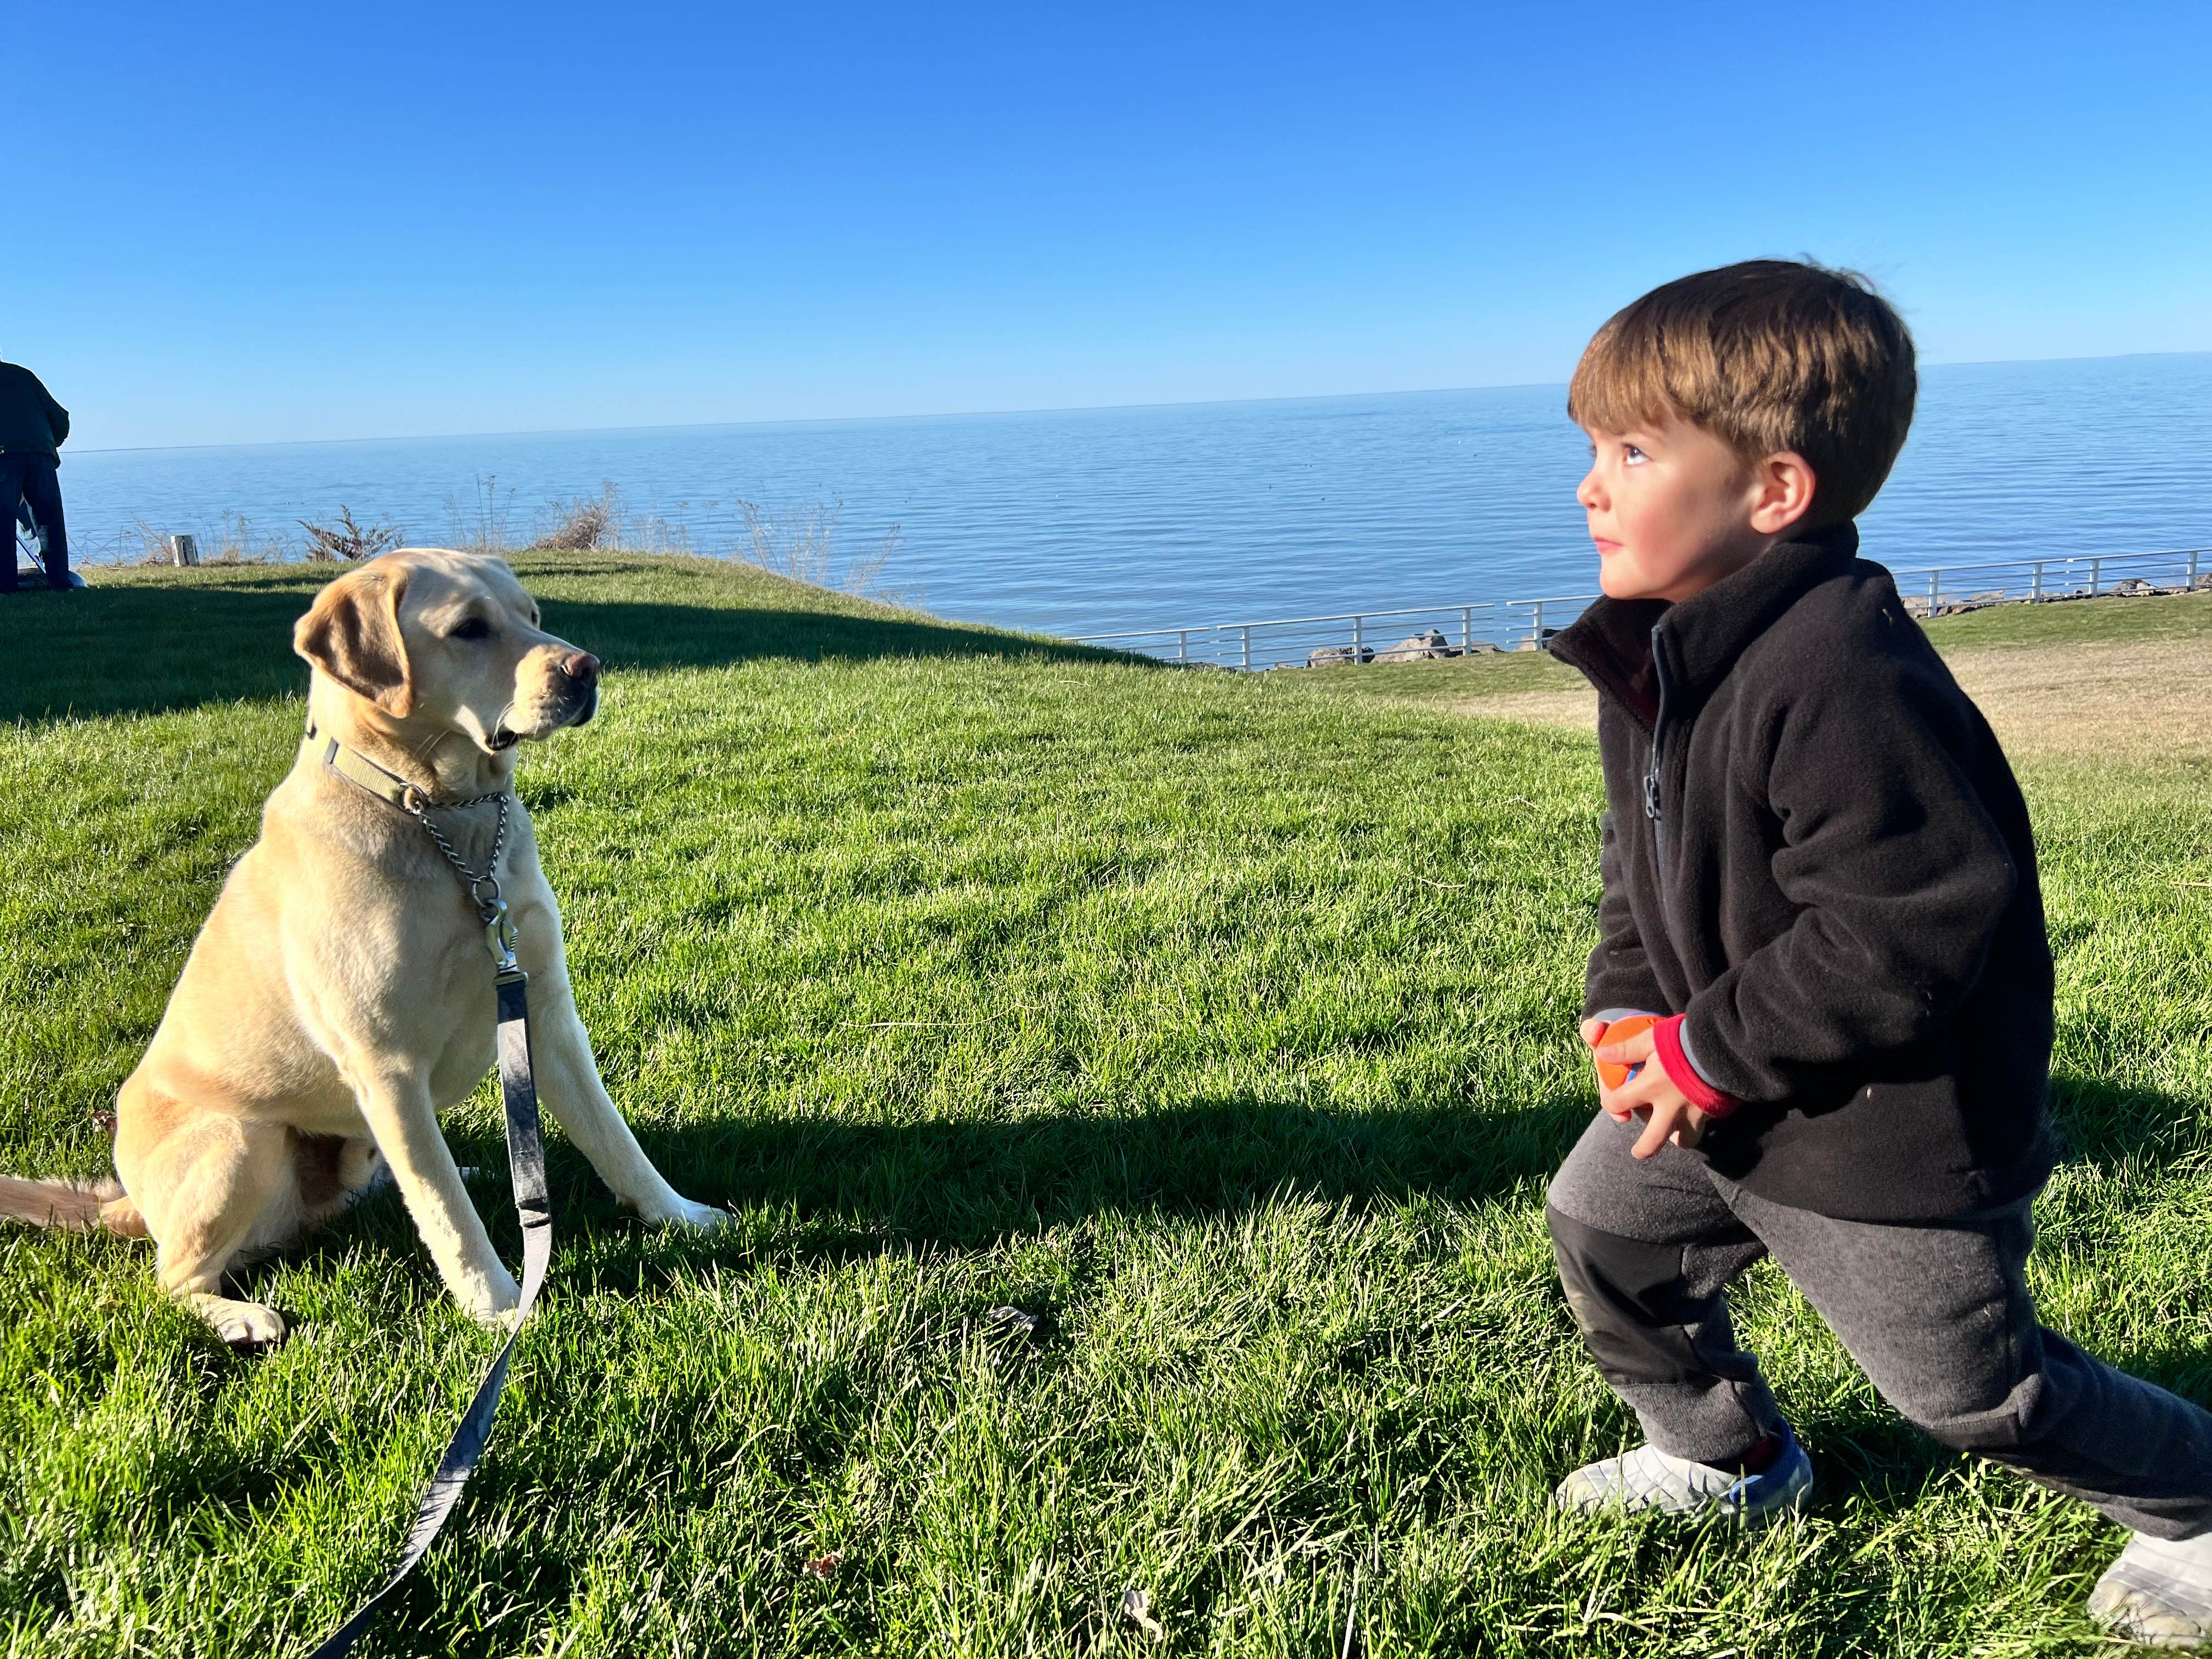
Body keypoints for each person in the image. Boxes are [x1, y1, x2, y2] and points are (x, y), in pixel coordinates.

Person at [1540, 259, 2212, 1646]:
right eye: (1592, 449)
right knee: (1606, 1229)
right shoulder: (1658, 658)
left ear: (1773, 493)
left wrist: (1709, 1050)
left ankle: (2196, 1500)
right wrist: (1626, 1004)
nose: (1591, 487)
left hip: (1875, 1129)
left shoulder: (1845, 672)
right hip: (1712, 1085)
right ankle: (1726, 1460)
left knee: (1972, 1391)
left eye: (1632, 451)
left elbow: (1911, 921)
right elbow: (1642, 866)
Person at [0, 354, 72, 592]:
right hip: (41, 455)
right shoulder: (23, 375)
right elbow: (59, 417)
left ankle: (5, 587)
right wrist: (48, 444)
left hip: (4, 456)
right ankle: (61, 582)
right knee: (49, 520)